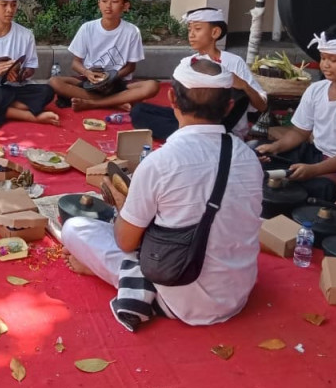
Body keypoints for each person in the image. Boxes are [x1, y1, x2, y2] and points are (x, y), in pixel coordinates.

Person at [62, 56, 263, 331]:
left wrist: (122, 203)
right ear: (229, 107)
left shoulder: (159, 163)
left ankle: (120, 278)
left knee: (75, 229)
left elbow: (125, 242)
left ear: (171, 98)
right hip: (236, 293)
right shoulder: (248, 157)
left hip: (178, 294)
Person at [256, 23, 336, 202]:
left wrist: (314, 170)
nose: (325, 65)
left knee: (317, 188)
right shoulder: (316, 89)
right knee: (262, 161)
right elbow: (300, 132)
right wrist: (275, 147)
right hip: (318, 153)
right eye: (323, 58)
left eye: (333, 60)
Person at [131, 6, 268, 140]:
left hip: (222, 125)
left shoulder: (234, 62)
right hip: (192, 118)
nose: (191, 34)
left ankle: (196, 137)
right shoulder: (187, 62)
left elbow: (262, 105)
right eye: (189, 29)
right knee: (139, 111)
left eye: (197, 29)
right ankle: (196, 136)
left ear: (215, 33)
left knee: (240, 94)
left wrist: (244, 85)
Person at [48, 0, 159, 112]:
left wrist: (111, 77)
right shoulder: (87, 28)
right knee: (54, 82)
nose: (108, 6)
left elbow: (130, 67)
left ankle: (93, 103)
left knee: (152, 86)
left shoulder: (132, 31)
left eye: (115, 1)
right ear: (99, 4)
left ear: (125, 6)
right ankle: (116, 102)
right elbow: (75, 63)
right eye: (104, 1)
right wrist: (87, 73)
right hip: (90, 81)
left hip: (117, 82)